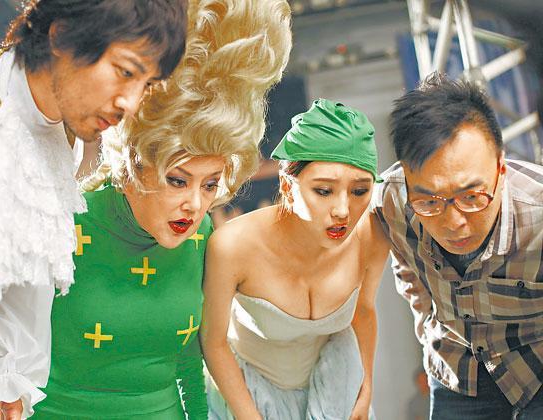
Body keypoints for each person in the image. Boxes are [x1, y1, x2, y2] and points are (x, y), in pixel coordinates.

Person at [0, 0, 293, 418]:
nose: (195, 204)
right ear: (134, 162)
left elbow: (190, 364)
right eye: (178, 180)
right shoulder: (63, 221)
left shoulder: (203, 237)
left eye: (210, 185)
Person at [0, 1, 188, 417]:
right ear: (62, 35)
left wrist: (3, 378)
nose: (130, 103)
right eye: (126, 72)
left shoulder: (58, 140)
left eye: (147, 85)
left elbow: (12, 271)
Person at [201, 99, 389, 420]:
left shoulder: (372, 235)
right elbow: (213, 342)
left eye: (359, 191)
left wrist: (367, 384)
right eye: (324, 191)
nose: (343, 210)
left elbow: (364, 311)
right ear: (288, 187)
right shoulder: (233, 245)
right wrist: (250, 417)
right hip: (248, 393)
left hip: (336, 388)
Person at [372, 73, 543, 419]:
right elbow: (408, 272)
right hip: (458, 370)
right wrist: (428, 328)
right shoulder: (391, 200)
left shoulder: (538, 214)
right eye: (429, 202)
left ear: (501, 169)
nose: (453, 223)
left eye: (471, 197)